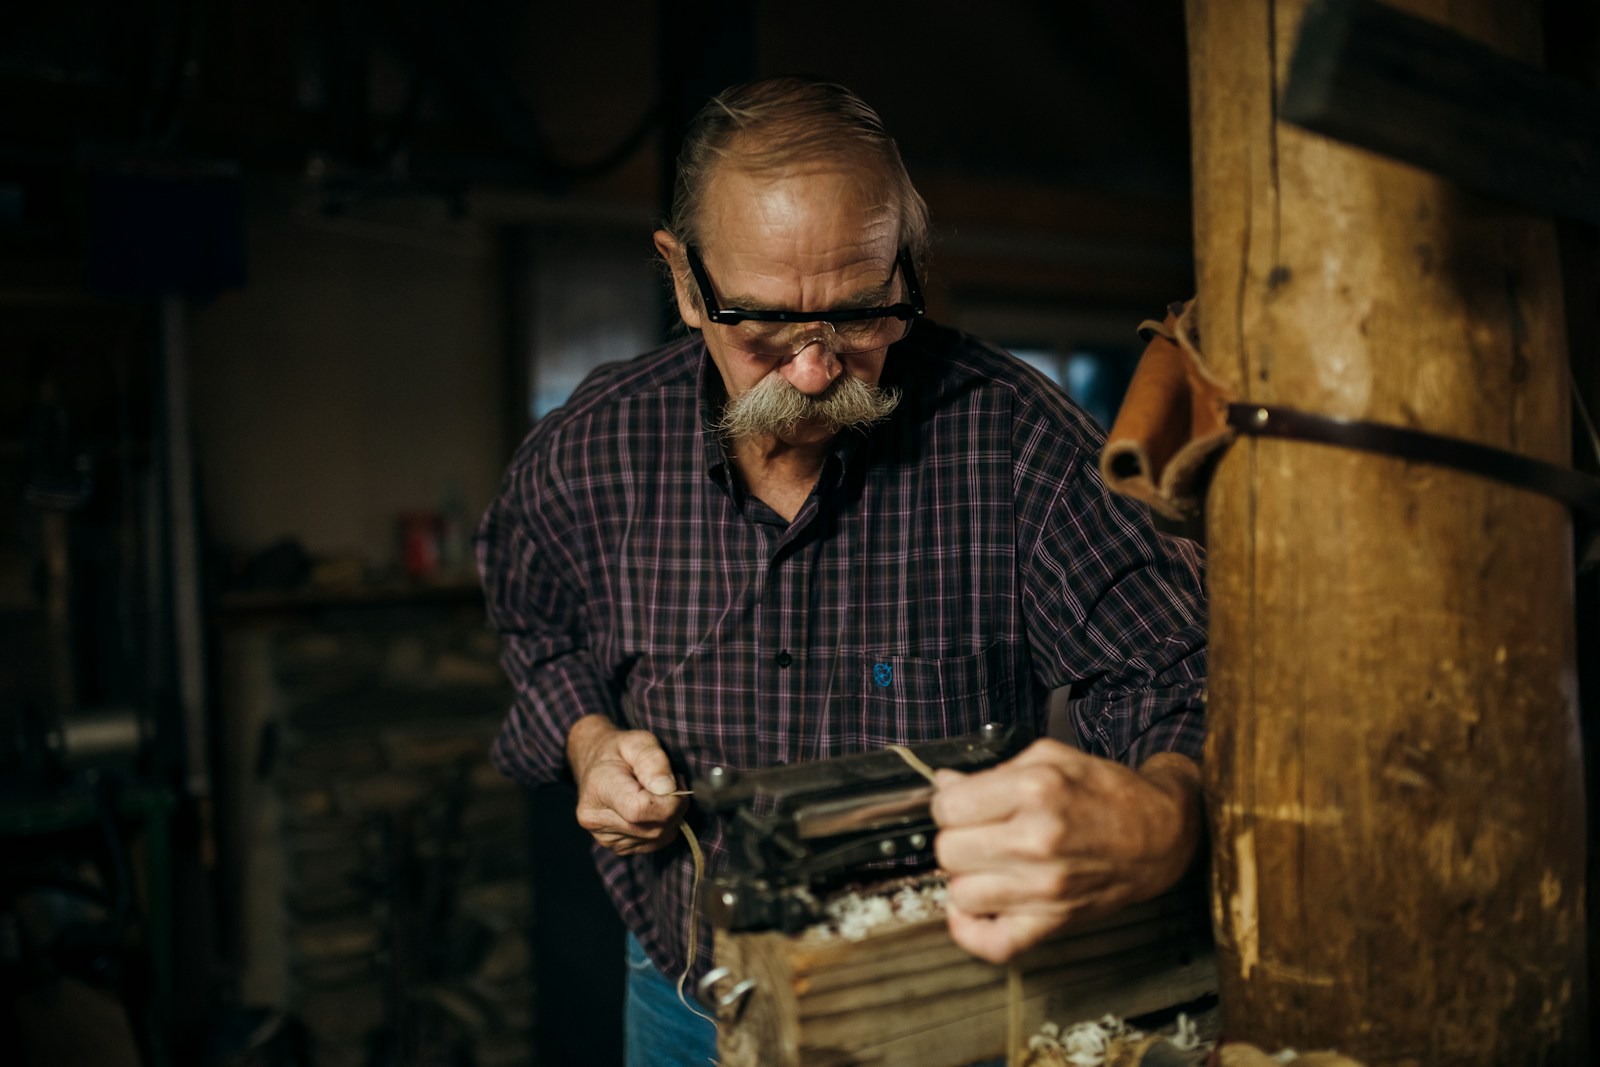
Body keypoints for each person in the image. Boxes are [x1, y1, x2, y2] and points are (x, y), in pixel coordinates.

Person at [477, 76, 1207, 1066]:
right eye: (764, 330)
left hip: (940, 1006)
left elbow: (1176, 669)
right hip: (686, 993)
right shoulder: (592, 447)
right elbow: (537, 626)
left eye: (861, 317)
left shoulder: (1016, 442)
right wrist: (588, 737)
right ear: (685, 283)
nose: (816, 372)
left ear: (908, 266)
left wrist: (1165, 812)